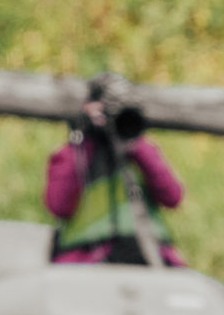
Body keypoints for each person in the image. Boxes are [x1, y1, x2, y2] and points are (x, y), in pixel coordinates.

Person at [44, 88, 185, 266]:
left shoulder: (142, 152)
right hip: (85, 257)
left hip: (147, 254)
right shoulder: (72, 154)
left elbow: (173, 197)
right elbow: (58, 206)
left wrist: (135, 144)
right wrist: (86, 137)